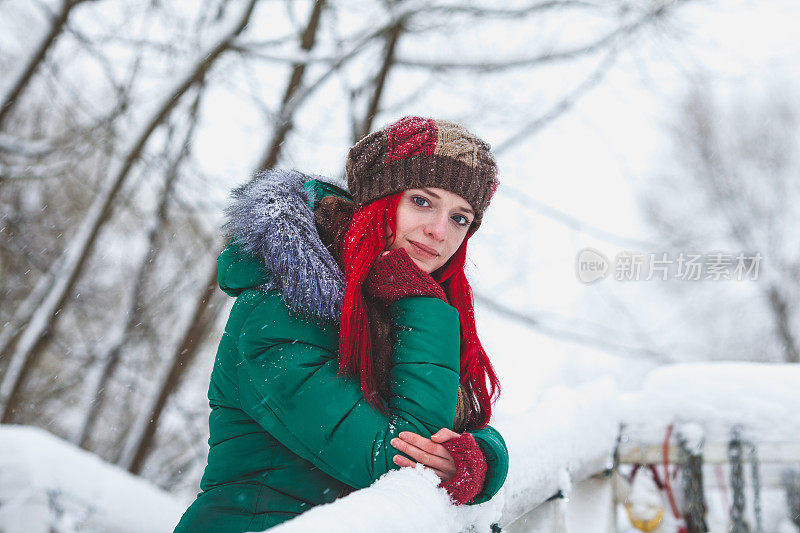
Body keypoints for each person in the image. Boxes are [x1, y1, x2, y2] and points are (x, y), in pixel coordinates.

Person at [174, 116, 509, 532]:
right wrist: (422, 300)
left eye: (460, 218)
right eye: (422, 201)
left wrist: (483, 458)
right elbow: (398, 464)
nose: (439, 231)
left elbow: (462, 427)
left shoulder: (389, 306)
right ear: (379, 202)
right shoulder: (276, 313)